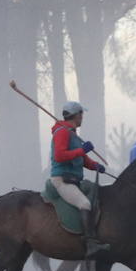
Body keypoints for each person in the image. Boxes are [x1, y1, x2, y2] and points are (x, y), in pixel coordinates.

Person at [49, 101, 108, 257]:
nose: (83, 117)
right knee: (85, 203)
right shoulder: (62, 132)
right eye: (81, 114)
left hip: (74, 180)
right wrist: (82, 150)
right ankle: (90, 244)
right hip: (61, 180)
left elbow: (82, 159)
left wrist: (96, 166)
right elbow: (60, 156)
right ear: (75, 115)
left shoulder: (72, 133)